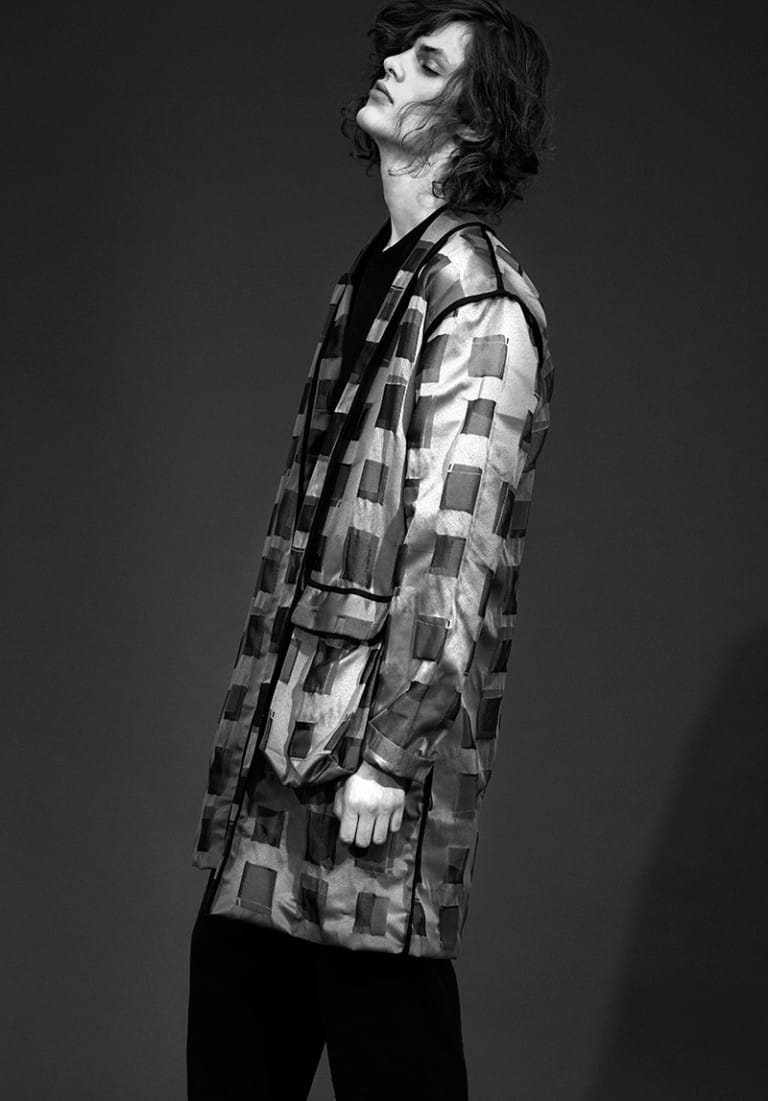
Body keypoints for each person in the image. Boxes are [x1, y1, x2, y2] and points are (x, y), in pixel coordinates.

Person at [186, 2, 554, 1098]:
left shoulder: (479, 298)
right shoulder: (372, 279)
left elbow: (456, 540)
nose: (392, 62)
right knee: (232, 1051)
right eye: (402, 49)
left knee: (396, 1059)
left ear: (474, 123)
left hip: (365, 776)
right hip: (282, 751)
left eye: (428, 62)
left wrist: (393, 752)